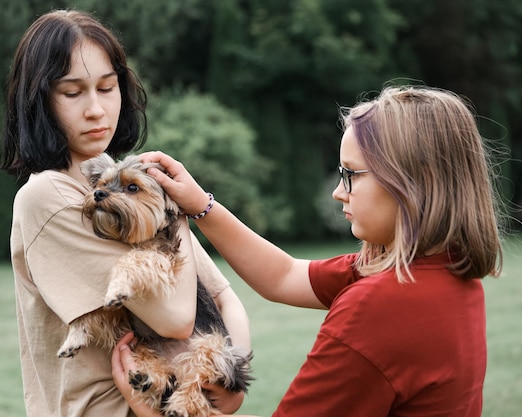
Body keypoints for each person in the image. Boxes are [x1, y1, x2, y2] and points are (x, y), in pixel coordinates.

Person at [112, 85, 505, 417]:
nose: (338, 192)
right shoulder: (445, 272)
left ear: (412, 182)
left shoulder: (380, 306)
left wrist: (156, 410)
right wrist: (201, 205)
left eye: (350, 175)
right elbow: (284, 276)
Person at [0, 9, 250, 417]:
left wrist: (230, 375)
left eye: (107, 87)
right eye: (72, 92)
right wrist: (172, 210)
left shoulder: (128, 181)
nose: (96, 109)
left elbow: (221, 296)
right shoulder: (49, 195)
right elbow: (176, 320)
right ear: (39, 102)